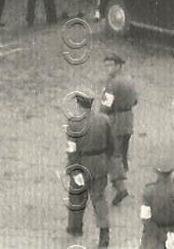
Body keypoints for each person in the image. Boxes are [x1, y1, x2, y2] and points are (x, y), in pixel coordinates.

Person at [65, 91, 113, 246]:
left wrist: (73, 169)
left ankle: (75, 227)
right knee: (99, 199)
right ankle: (104, 233)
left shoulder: (74, 123)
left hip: (81, 164)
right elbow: (112, 145)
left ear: (79, 105)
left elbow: (72, 149)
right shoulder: (104, 119)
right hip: (100, 164)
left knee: (77, 197)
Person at [99, 52, 138, 206]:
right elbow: (135, 100)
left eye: (110, 65)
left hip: (115, 121)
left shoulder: (112, 83)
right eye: (106, 65)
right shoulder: (130, 79)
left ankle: (121, 187)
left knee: (113, 154)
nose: (108, 68)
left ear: (118, 66)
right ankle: (121, 176)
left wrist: (100, 118)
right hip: (128, 119)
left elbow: (105, 106)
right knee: (122, 151)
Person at [140, 155, 174, 249]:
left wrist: (162, 236)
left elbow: (146, 219)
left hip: (154, 239)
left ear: (156, 171)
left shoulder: (148, 191)